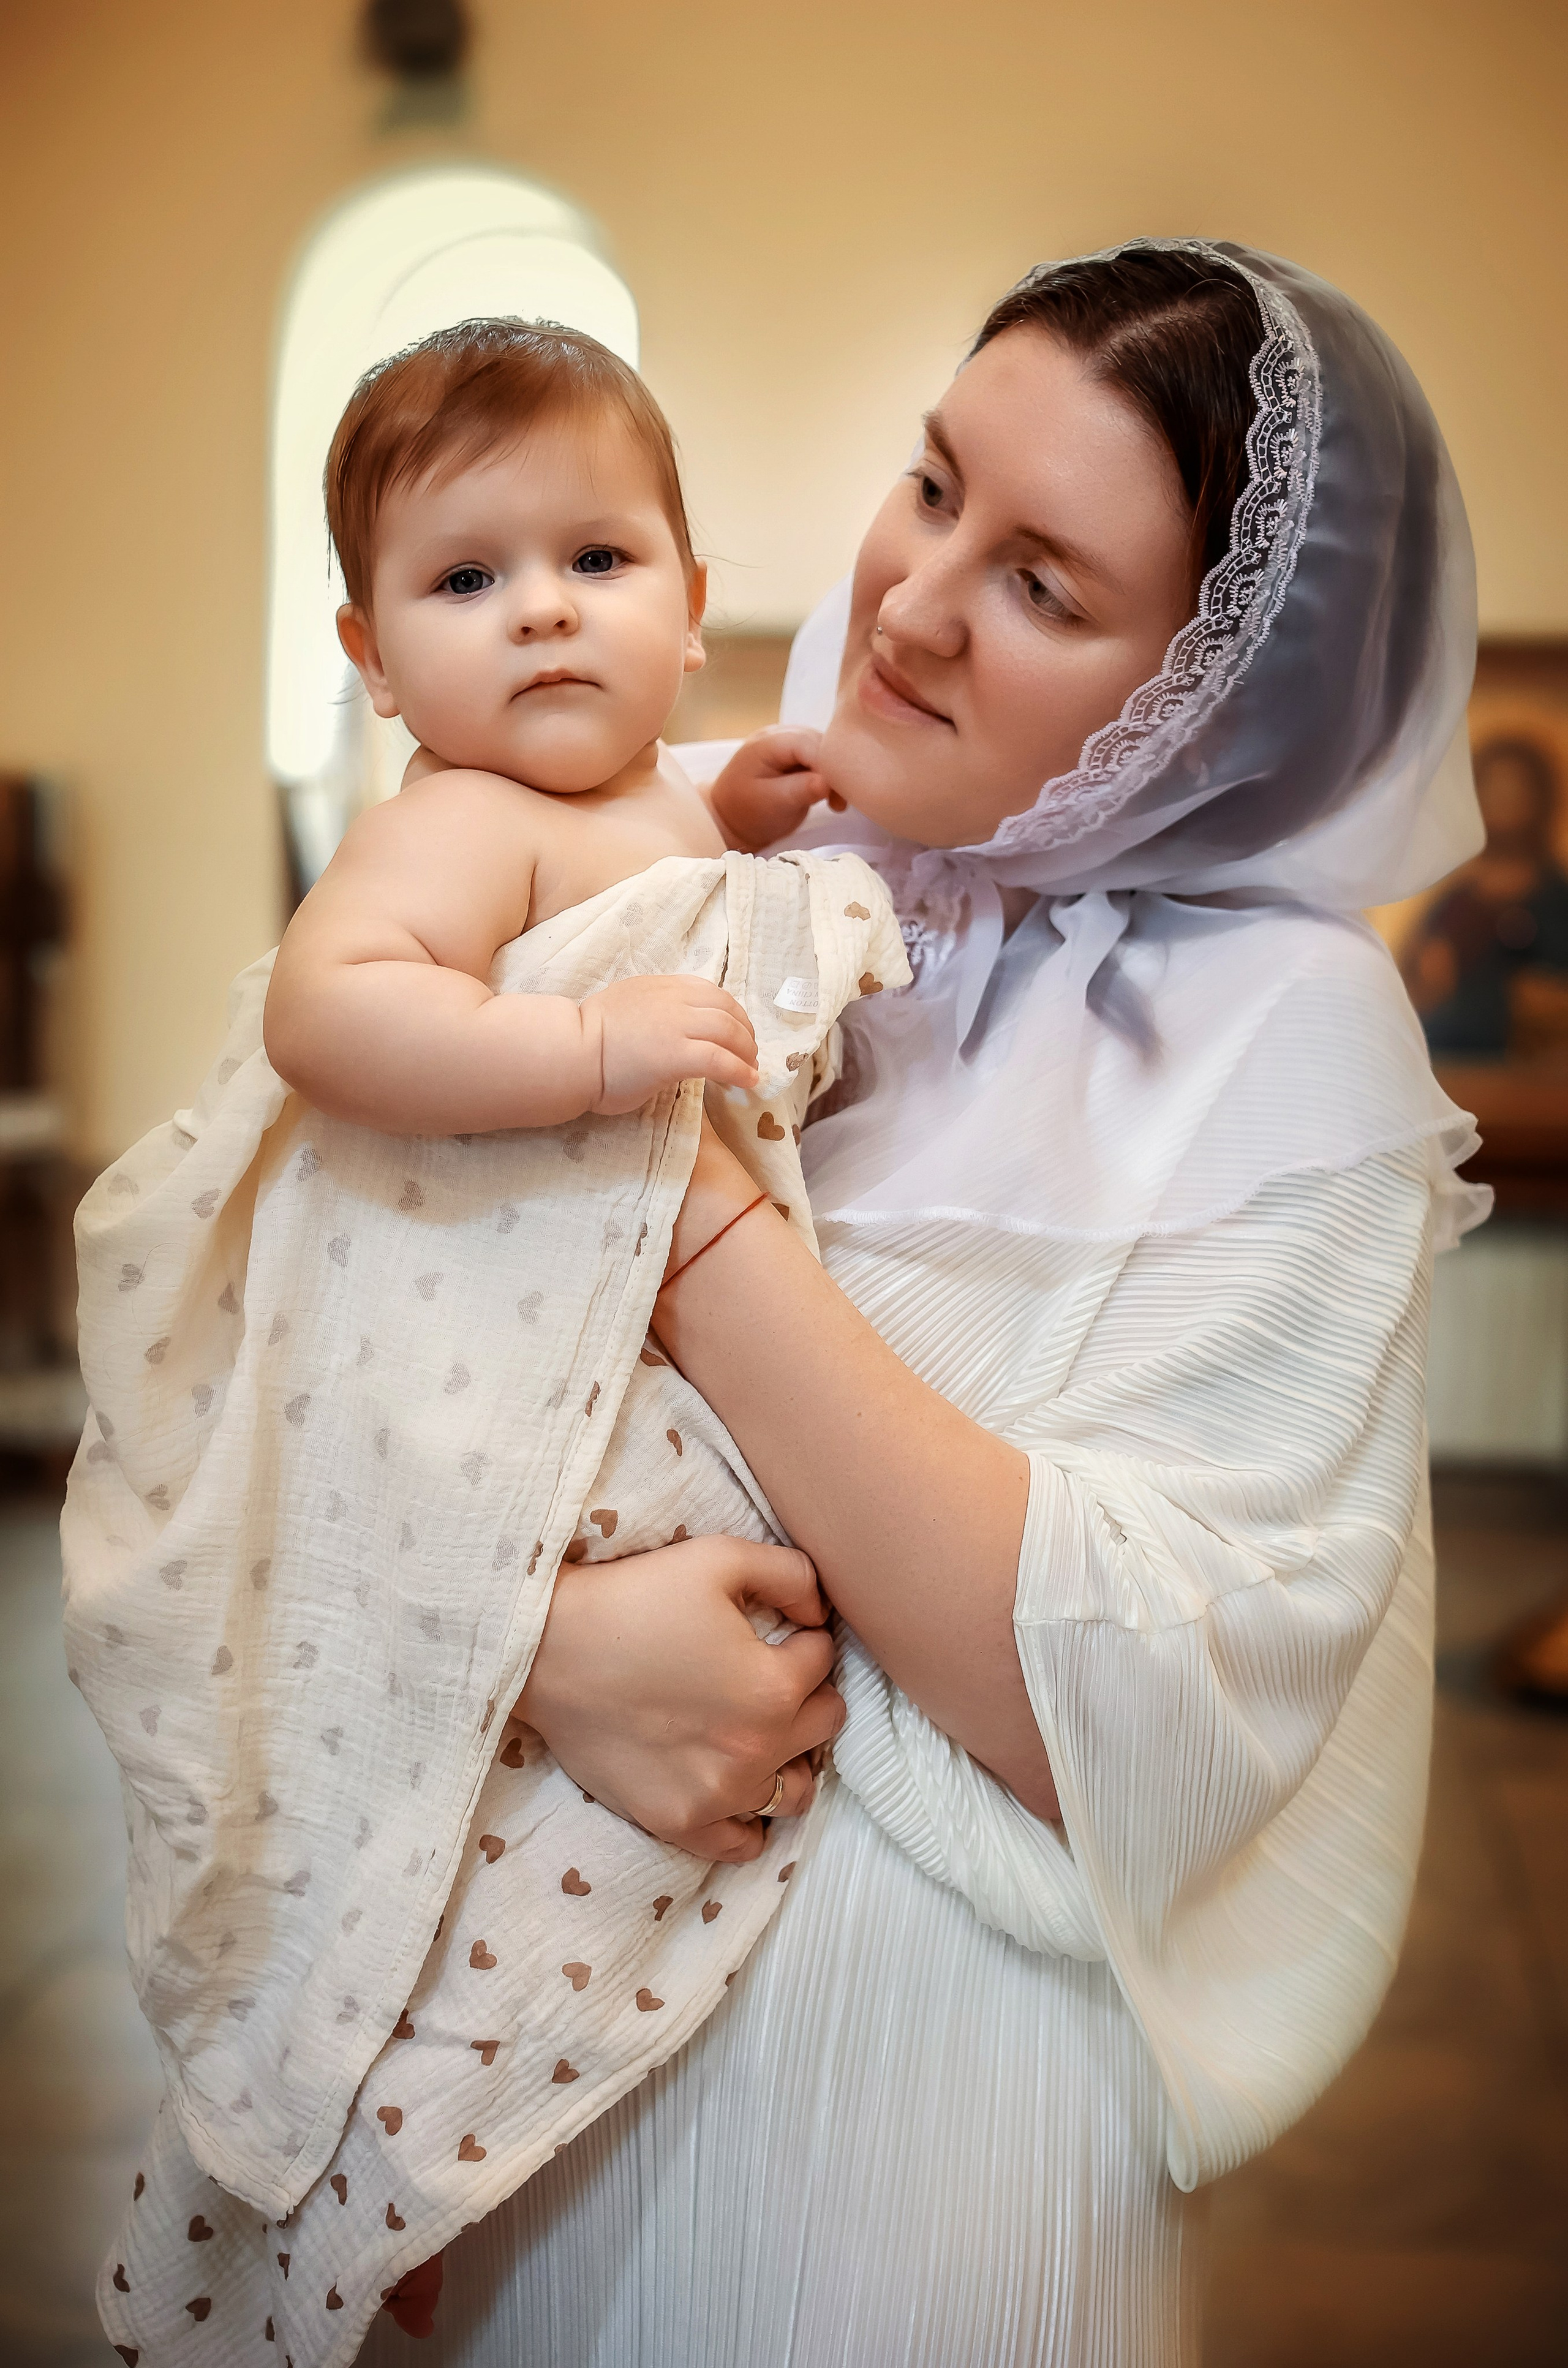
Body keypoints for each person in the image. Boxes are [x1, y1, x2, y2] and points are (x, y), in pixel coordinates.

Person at [358, 239, 1488, 2366]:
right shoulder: (721, 878)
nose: (914, 596)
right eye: (935, 480)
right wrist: (532, 1649)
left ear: (1212, 704)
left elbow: (1130, 1701)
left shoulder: (1290, 1036)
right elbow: (365, 1394)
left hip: (909, 2154)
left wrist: (675, 1207)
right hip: (545, 2086)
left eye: (1050, 586)